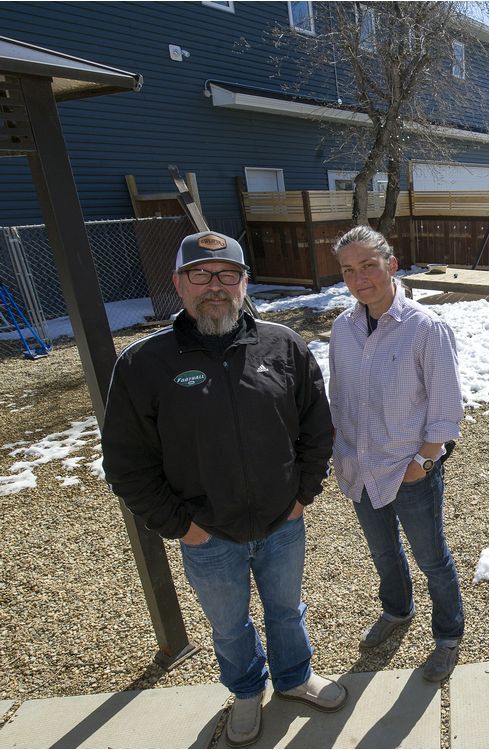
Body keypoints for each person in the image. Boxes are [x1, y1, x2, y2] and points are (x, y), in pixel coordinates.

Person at [102, 230, 345, 747]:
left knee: (286, 609)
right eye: (201, 275)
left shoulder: (283, 346)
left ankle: (295, 677)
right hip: (207, 534)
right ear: (179, 284)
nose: (216, 286)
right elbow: (127, 464)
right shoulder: (144, 365)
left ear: (244, 282)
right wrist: (182, 528)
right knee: (229, 625)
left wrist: (302, 496)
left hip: (283, 522)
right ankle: (244, 691)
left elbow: (316, 428)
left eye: (228, 275)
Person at [327, 225, 465, 683]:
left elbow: (447, 413)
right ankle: (397, 610)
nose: (359, 278)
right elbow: (340, 396)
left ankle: (447, 636)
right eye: (349, 270)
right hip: (359, 467)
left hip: (410, 470)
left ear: (392, 264)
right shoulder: (343, 329)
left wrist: (420, 465)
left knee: (431, 558)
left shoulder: (425, 328)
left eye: (368, 265)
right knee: (383, 553)